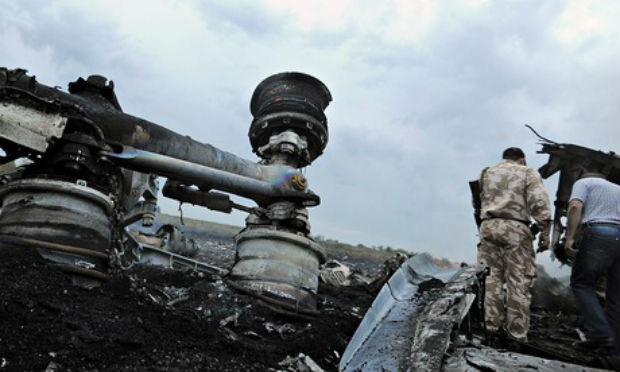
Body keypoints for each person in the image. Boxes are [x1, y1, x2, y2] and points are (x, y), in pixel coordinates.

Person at [477, 147, 551, 342]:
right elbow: (539, 203)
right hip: (515, 230)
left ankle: (491, 327)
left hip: (488, 226)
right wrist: (545, 230)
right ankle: (516, 333)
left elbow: (477, 201)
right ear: (522, 159)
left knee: (491, 279)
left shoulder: (486, 172)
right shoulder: (527, 172)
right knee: (518, 280)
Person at [565, 169, 620, 353]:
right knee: (616, 295)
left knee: (581, 283)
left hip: (600, 232)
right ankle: (612, 348)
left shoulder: (584, 183)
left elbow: (575, 206)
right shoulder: (618, 189)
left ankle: (600, 333)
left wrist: (569, 238)